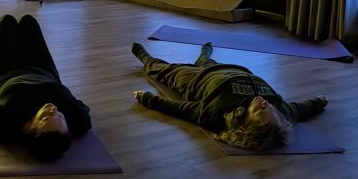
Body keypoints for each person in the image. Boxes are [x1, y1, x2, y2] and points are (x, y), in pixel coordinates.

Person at [132, 40, 328, 150]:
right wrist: (319, 102)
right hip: (231, 69)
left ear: (246, 120)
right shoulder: (283, 112)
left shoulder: (219, 113)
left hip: (194, 79)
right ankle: (204, 54)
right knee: (207, 62)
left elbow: (183, 109)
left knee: (163, 70)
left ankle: (145, 57)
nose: (264, 103)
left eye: (259, 110)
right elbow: (302, 109)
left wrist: (149, 99)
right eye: (269, 108)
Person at [0, 14, 91, 161]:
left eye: (45, 117)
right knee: (28, 21)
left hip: (5, 72)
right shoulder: (78, 120)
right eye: (60, 116)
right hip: (44, 71)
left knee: (6, 21)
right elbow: (83, 109)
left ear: (29, 126)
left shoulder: (4, 120)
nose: (53, 109)